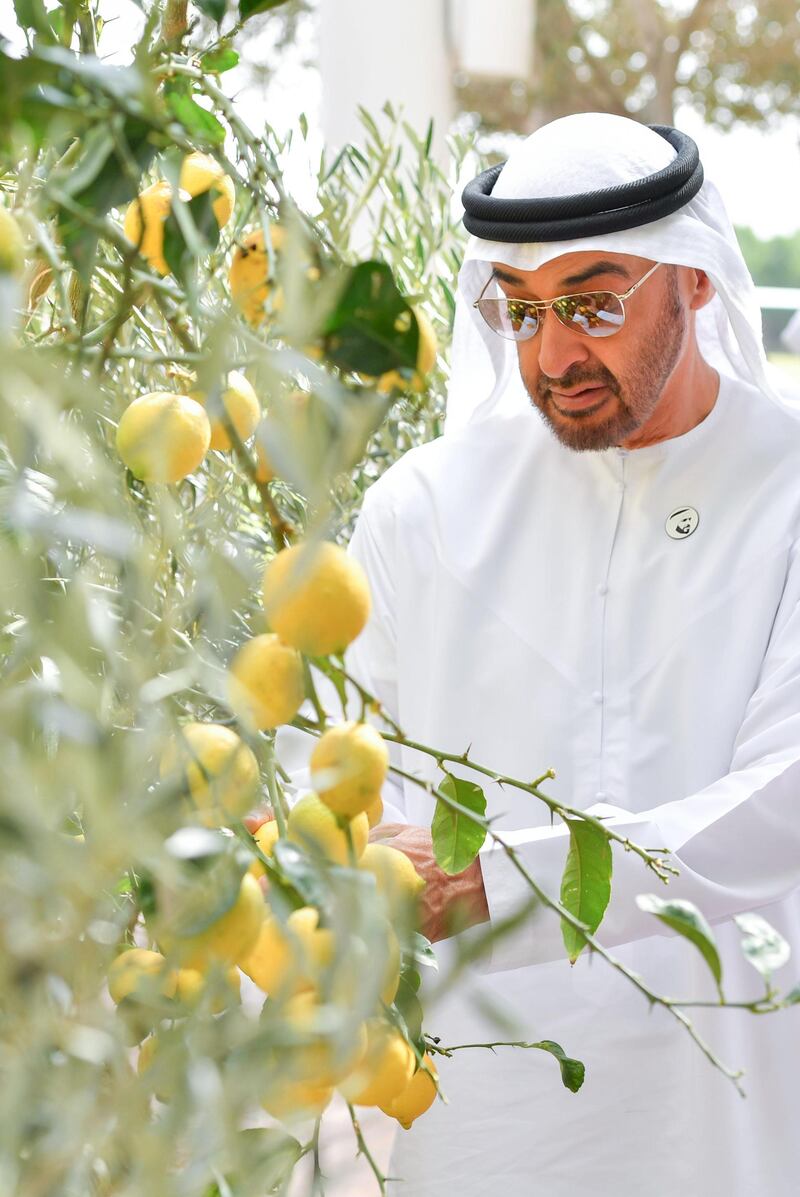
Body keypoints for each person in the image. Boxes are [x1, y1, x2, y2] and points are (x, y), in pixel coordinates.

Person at [278, 113, 800, 1195]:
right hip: (486, 1108)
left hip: (725, 1091)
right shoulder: (423, 506)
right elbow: (321, 764)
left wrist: (490, 883)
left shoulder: (788, 491)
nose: (553, 355)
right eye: (520, 313)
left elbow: (778, 804)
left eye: (593, 304)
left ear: (692, 280)